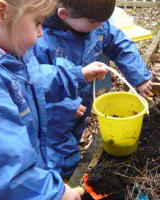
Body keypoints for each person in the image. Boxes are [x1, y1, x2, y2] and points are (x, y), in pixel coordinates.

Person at [0, 0, 109, 199]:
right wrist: (52, 193)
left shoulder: (7, 53)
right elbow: (8, 176)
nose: (40, 34)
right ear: (1, 13)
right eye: (38, 23)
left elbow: (34, 79)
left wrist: (77, 75)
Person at [34, 0, 153, 179]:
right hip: (52, 115)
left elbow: (121, 45)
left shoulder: (96, 25)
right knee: (56, 151)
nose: (101, 26)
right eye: (94, 22)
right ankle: (62, 182)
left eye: (104, 21)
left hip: (80, 106)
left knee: (72, 139)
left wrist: (140, 78)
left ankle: (69, 173)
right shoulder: (41, 39)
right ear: (63, 14)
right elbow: (36, 82)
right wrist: (66, 106)